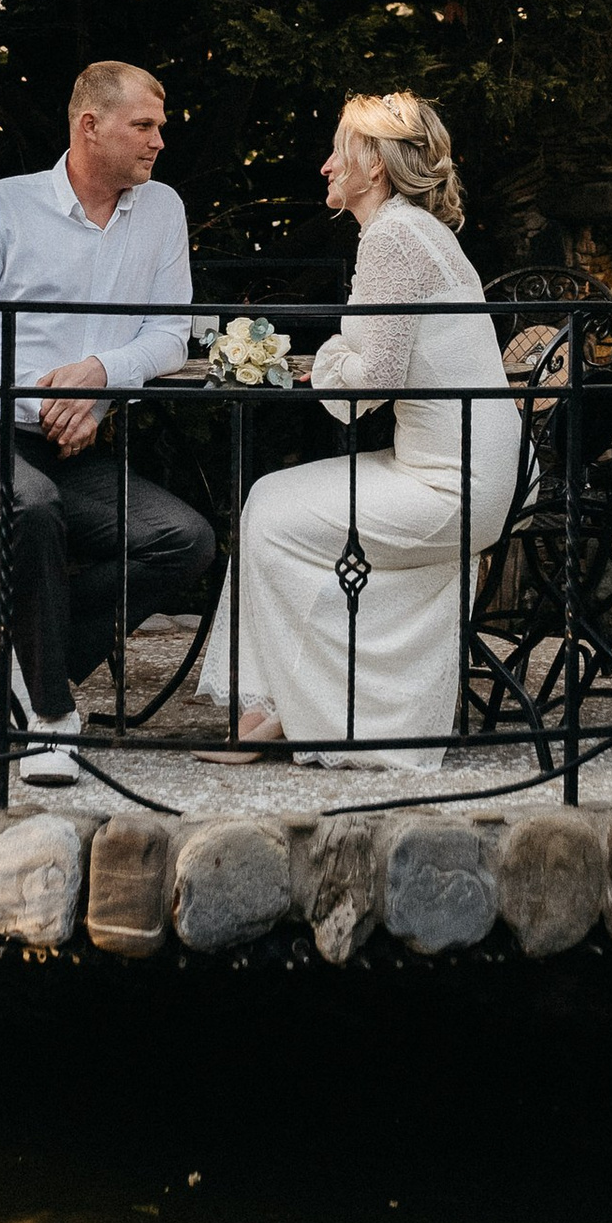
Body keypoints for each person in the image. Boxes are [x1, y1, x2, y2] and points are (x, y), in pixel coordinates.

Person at [0, 61, 215, 784]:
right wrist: (43, 403)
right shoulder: (0, 207)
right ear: (90, 126)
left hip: (64, 443)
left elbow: (171, 334)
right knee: (33, 502)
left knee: (188, 540)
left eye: (159, 127)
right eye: (143, 126)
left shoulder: (162, 210)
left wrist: (101, 378)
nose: (158, 142)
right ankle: (49, 716)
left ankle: (15, 645)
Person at [202, 93, 521, 767]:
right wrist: (334, 360)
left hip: (452, 487)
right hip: (466, 469)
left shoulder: (394, 237)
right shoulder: (416, 230)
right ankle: (282, 702)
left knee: (268, 515)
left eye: (339, 151)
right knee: (269, 498)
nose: (324, 166)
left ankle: (288, 708)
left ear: (372, 164)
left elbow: (367, 386)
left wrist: (327, 361)